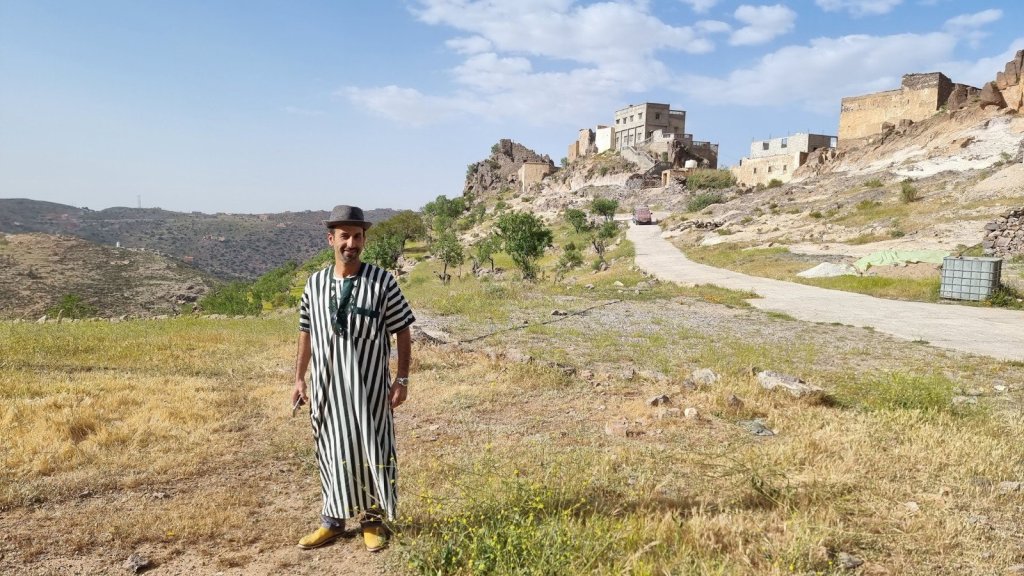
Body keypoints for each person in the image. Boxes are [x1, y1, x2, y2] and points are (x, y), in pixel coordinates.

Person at [292, 204, 415, 552]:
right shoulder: (315, 284)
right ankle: (332, 521)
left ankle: (373, 520)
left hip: (370, 389)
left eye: (357, 236)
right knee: (330, 449)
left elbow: (403, 330)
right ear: (331, 239)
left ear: (364, 240)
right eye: (344, 236)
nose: (351, 243)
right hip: (327, 389)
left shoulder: (382, 282)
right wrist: (299, 379)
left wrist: (401, 379)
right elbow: (305, 332)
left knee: (373, 447)